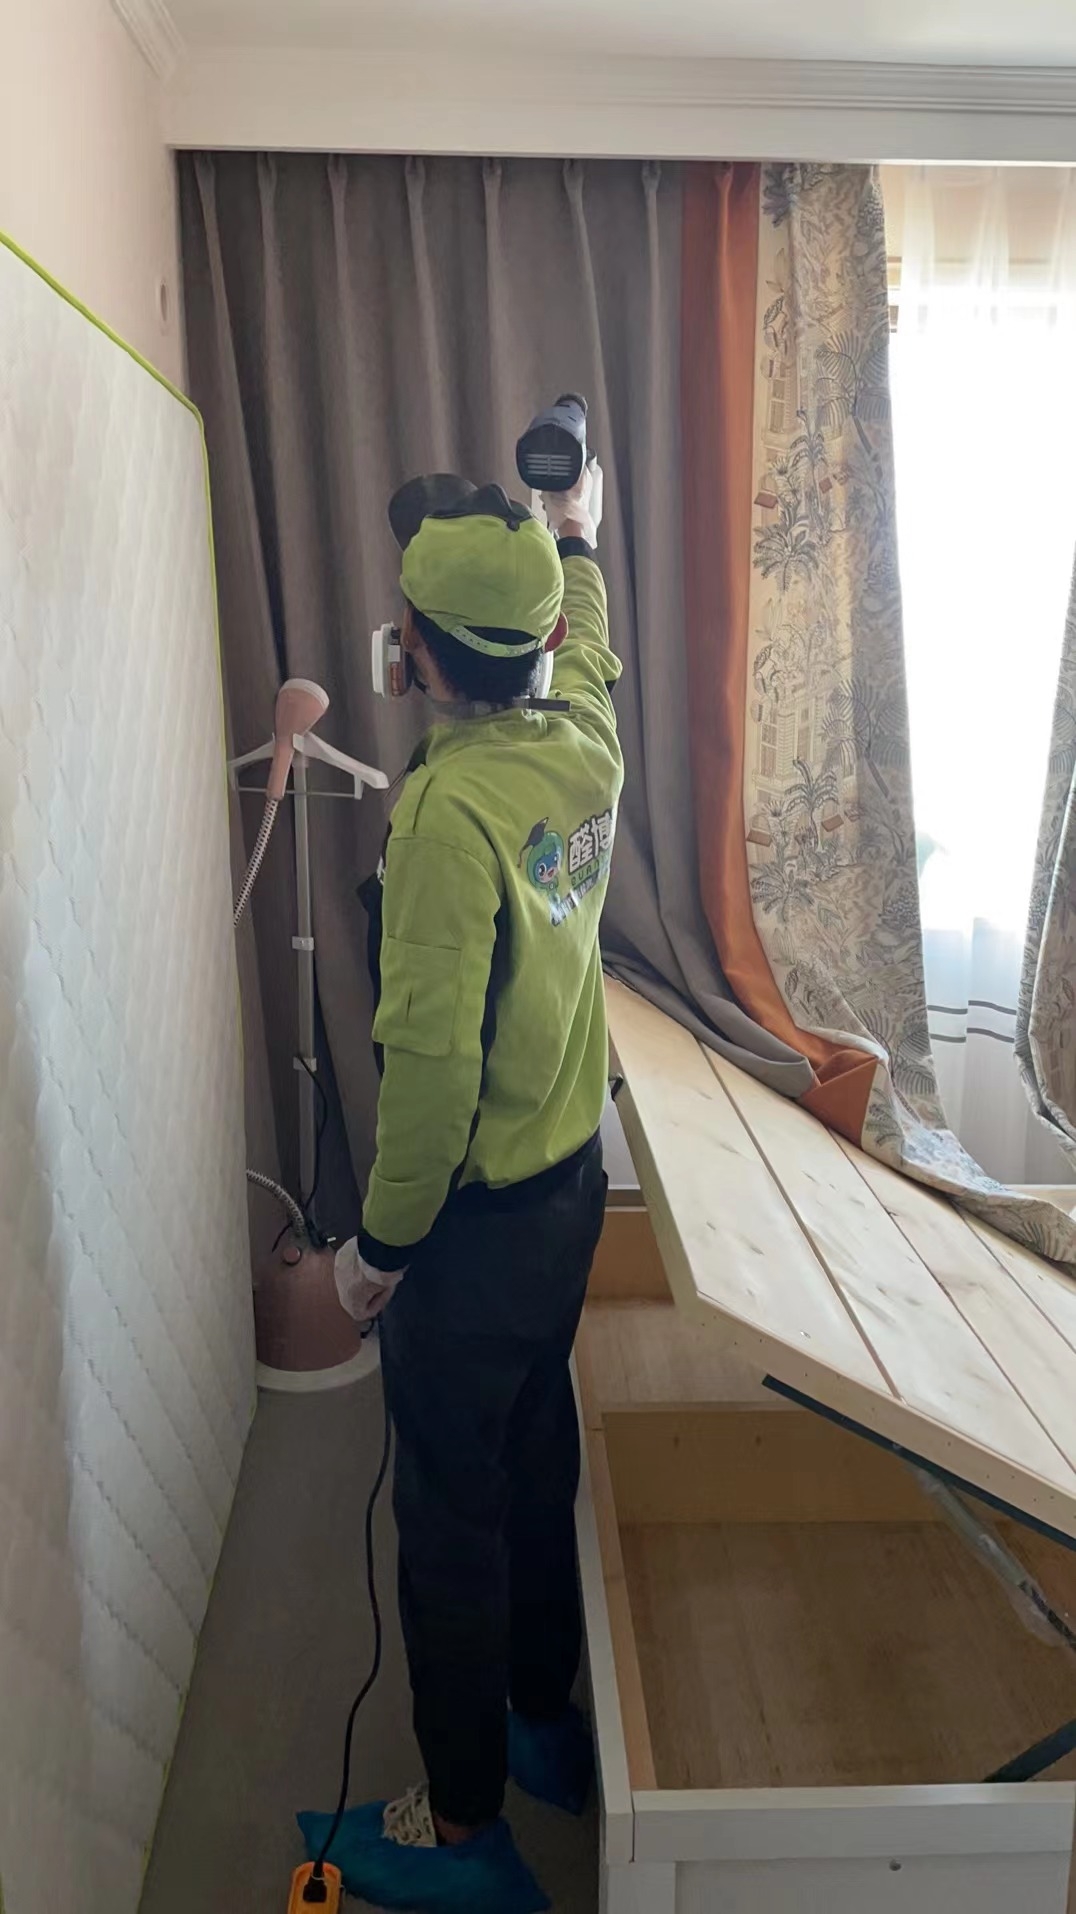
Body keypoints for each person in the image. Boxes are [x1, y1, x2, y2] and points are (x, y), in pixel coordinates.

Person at [301, 458, 621, 1913]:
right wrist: (577, 536)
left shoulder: (445, 825)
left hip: (474, 1233)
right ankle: (547, 1718)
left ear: (413, 655)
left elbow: (427, 1081)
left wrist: (376, 1256)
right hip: (568, 1196)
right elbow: (591, 645)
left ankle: (465, 1825)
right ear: (542, 640)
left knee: (448, 1514)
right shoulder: (586, 742)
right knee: (537, 1448)